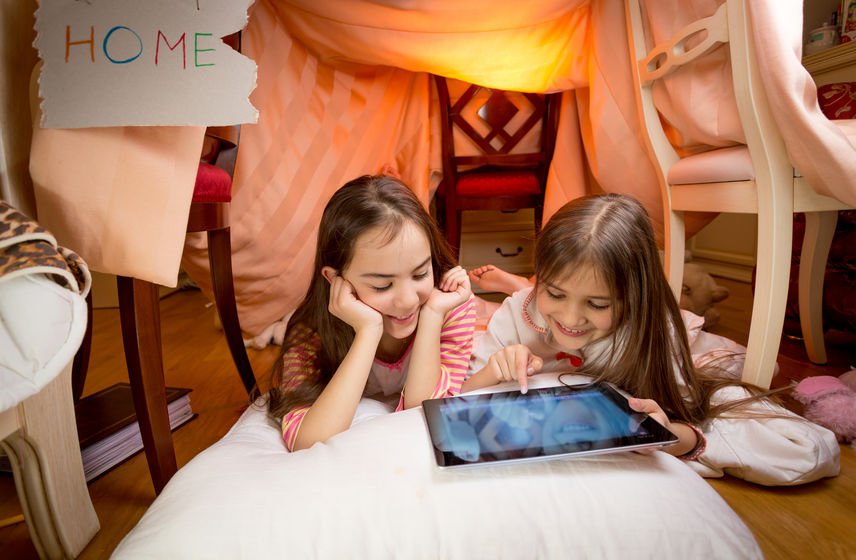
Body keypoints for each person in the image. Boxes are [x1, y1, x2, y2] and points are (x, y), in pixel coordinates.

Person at [462, 194, 840, 483]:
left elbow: (683, 413)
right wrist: (494, 372)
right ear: (538, 277)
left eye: (596, 303)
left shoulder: (650, 327)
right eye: (556, 294)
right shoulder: (516, 313)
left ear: (633, 297)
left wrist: (668, 435)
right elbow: (462, 395)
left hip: (679, 347)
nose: (571, 318)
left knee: (740, 394)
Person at [267, 175, 477, 452]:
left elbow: (425, 410)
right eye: (382, 285)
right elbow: (307, 441)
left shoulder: (448, 306)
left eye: (420, 273)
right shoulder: (311, 330)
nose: (406, 301)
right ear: (336, 279)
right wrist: (367, 332)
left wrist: (432, 316)